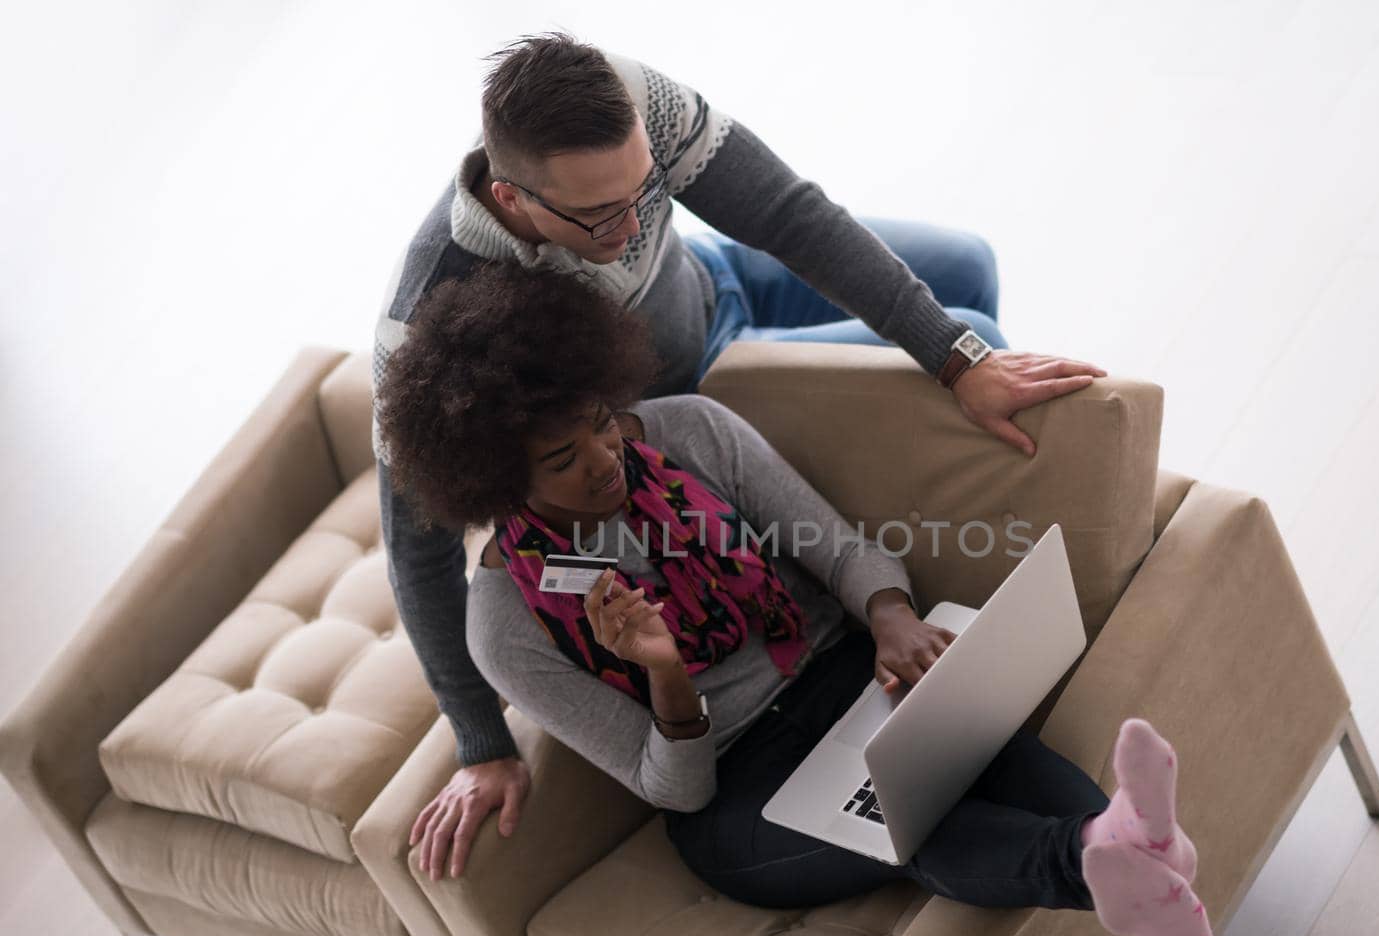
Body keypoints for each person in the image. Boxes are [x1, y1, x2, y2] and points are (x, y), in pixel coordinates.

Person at [377, 263, 1217, 936]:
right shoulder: (504, 626)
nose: (606, 461)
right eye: (562, 461)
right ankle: (1115, 855)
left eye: (600, 422)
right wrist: (665, 671)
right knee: (905, 819)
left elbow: (840, 551)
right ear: (496, 480)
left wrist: (890, 617)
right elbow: (676, 786)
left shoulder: (689, 434)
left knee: (969, 750)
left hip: (841, 672)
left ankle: (1130, 854)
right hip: (740, 793)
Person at [374, 33, 1111, 855]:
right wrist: (481, 740)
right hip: (699, 377)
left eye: (642, 188)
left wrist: (954, 360)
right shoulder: (429, 319)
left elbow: (789, 216)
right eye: (597, 215)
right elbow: (415, 549)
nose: (629, 222)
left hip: (712, 277)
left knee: (963, 279)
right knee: (969, 331)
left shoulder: (622, 98)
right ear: (513, 200)